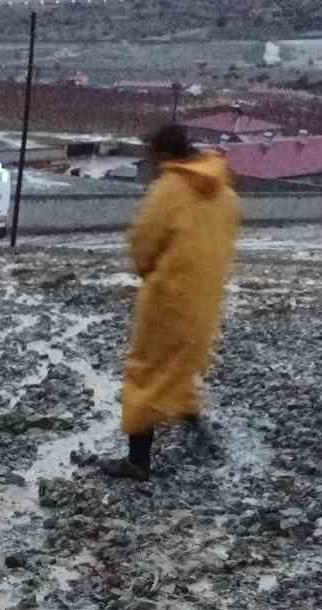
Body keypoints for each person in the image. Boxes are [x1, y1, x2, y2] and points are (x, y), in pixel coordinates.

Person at [102, 124, 240, 483]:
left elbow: (143, 244)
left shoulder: (169, 188)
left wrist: (146, 272)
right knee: (179, 367)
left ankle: (137, 461)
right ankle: (197, 429)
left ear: (162, 154)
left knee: (145, 371)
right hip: (205, 303)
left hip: (168, 299)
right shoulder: (225, 193)